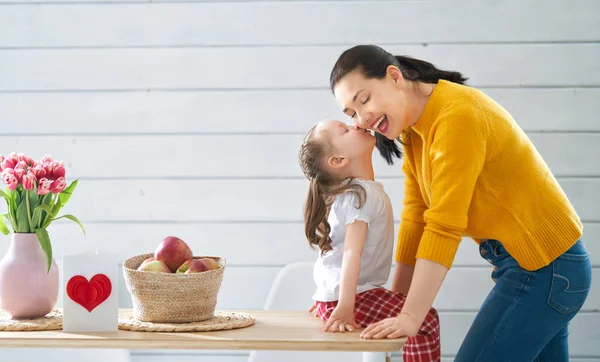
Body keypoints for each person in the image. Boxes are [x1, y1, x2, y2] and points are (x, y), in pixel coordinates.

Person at [326, 44, 592, 361]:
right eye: (352, 113)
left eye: (364, 99)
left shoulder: (457, 117)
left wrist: (411, 317)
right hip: (538, 267)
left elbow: (443, 226)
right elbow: (417, 218)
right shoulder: (414, 130)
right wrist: (397, 302)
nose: (362, 118)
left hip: (546, 268)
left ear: (394, 76)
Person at [299, 119, 441, 362]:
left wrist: (326, 295)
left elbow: (335, 253)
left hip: (341, 297)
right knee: (426, 319)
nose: (355, 124)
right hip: (352, 299)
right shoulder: (360, 194)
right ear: (338, 160)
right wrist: (344, 305)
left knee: (416, 314)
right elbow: (350, 253)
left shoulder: (354, 191)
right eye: (345, 130)